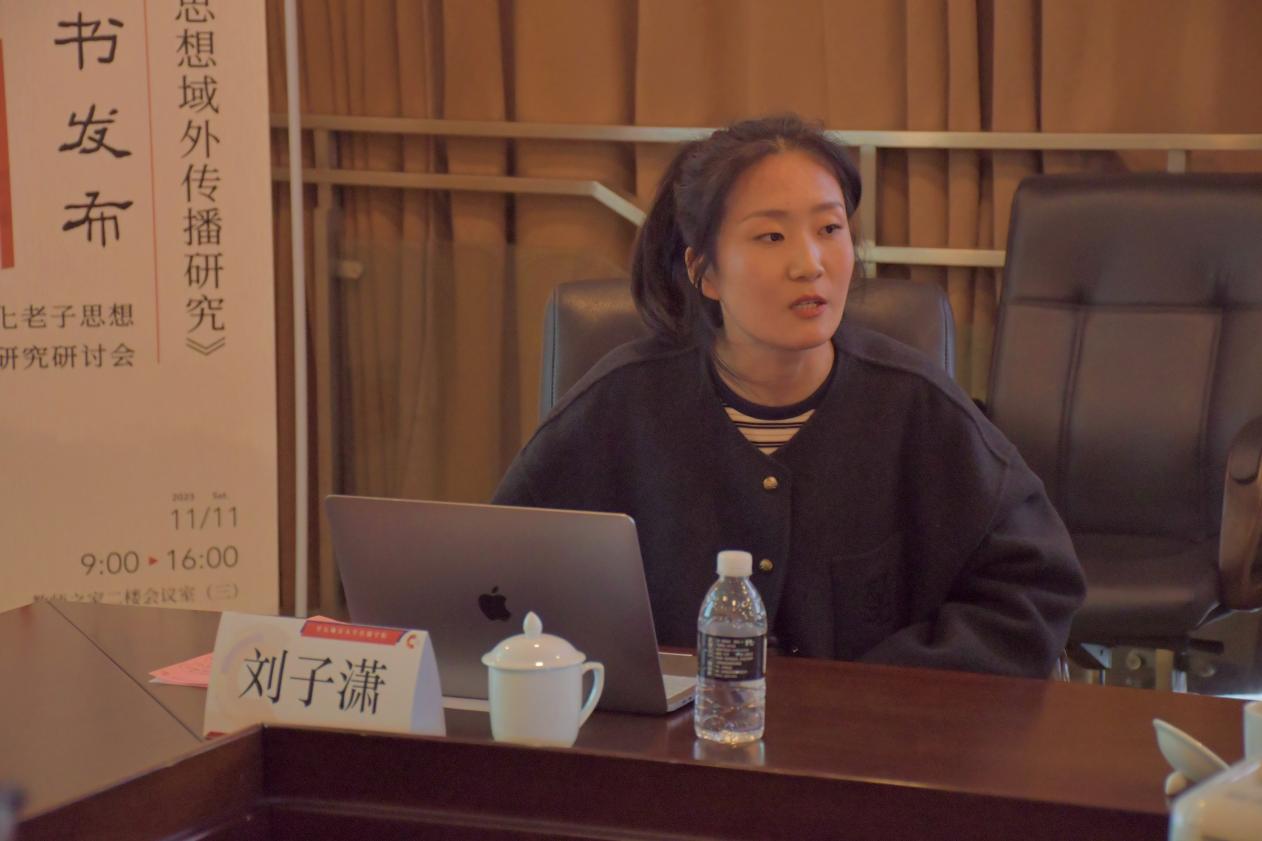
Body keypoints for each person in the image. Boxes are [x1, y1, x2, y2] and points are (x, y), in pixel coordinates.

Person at [492, 115, 1085, 678]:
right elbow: (499, 577)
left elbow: (1034, 587)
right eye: (771, 236)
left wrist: (886, 689)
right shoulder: (621, 404)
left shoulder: (917, 405)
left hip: (869, 741)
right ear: (705, 272)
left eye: (830, 229)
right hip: (675, 739)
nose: (810, 264)